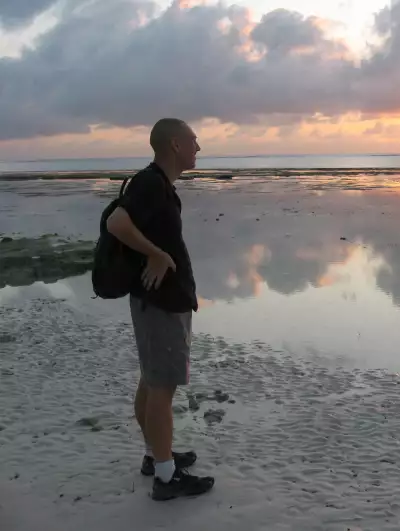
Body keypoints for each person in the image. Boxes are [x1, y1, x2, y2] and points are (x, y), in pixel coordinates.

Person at [106, 118, 214, 501]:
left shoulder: (157, 184)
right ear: (174, 144)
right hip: (160, 302)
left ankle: (157, 456)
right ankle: (166, 478)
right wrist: (157, 254)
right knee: (161, 388)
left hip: (162, 301)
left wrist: (158, 254)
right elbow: (117, 222)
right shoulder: (151, 183)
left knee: (152, 383)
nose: (198, 147)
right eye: (193, 140)